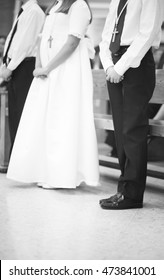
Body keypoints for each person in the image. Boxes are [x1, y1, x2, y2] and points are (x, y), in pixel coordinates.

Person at [7, 0, 99, 189]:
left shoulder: (79, 5)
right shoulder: (55, 6)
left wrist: (48, 67)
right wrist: (39, 66)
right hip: (48, 71)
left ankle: (61, 175)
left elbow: (72, 43)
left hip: (66, 70)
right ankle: (45, 171)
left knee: (61, 120)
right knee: (46, 121)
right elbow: (43, 38)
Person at [99, 0, 163, 210]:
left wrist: (120, 67)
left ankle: (132, 194)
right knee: (120, 131)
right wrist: (109, 64)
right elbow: (106, 35)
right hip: (115, 64)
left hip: (136, 63)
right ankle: (123, 189)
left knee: (132, 130)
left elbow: (148, 33)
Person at [0, 0, 45, 152]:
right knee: (14, 114)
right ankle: (14, 159)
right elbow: (13, 42)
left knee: (21, 115)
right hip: (17, 65)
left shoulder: (34, 12)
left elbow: (25, 44)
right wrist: (6, 64)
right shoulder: (25, 11)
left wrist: (10, 67)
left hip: (24, 67)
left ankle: (19, 159)